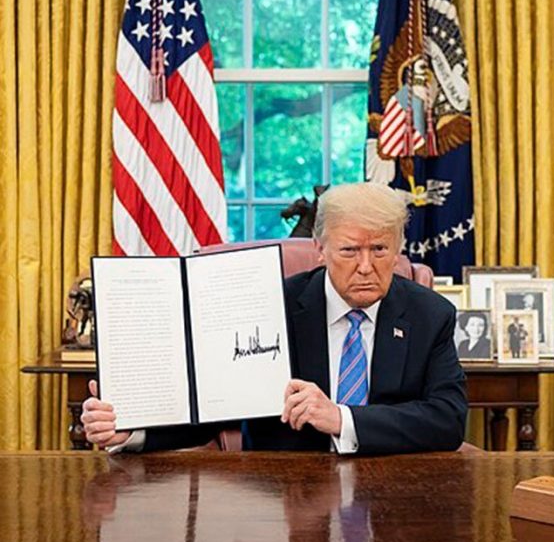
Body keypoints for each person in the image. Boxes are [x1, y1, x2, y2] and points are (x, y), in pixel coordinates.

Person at [82, 182, 467, 455]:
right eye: (350, 251)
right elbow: (215, 409)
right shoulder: (270, 306)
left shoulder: (430, 314)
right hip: (284, 493)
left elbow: (447, 419)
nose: (366, 266)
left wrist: (341, 419)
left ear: (398, 250)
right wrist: (132, 431)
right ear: (320, 249)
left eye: (380, 250)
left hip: (392, 487)